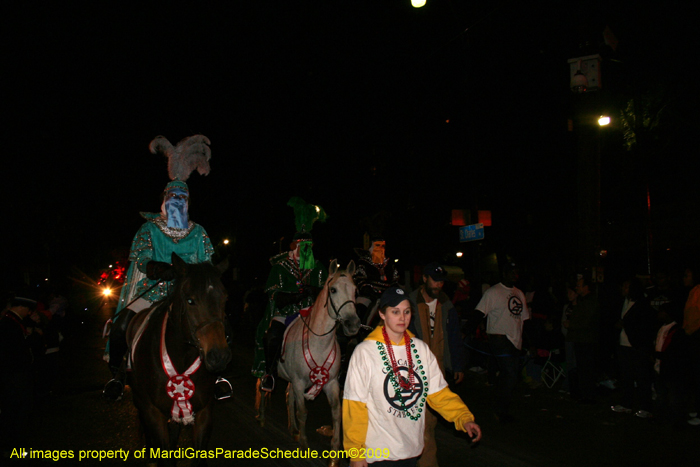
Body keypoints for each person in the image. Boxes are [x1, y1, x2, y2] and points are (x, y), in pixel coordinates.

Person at [103, 135, 217, 401]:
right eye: (172, 196)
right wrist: (156, 267)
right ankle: (118, 375)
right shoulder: (149, 229)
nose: (177, 200)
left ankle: (216, 375)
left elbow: (208, 264)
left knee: (217, 326)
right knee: (121, 326)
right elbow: (140, 257)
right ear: (165, 200)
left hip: (189, 296)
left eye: (182, 197)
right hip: (152, 292)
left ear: (187, 202)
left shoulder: (198, 232)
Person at [343, 287, 481, 467]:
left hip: (411, 450)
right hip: (377, 453)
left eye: (407, 311)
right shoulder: (365, 352)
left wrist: (464, 418)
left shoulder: (421, 349)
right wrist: (355, 452)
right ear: (382, 314)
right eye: (395, 312)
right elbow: (354, 405)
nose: (402, 317)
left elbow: (438, 393)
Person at [252, 197, 328, 392]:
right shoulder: (279, 267)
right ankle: (269, 373)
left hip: (311, 312)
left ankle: (335, 367)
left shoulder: (317, 267)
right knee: (273, 336)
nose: (307, 251)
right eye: (304, 247)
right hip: (286, 312)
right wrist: (292, 297)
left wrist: (314, 291)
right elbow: (273, 294)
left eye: (310, 247)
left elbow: (326, 291)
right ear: (294, 247)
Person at [408, 262, 465, 467]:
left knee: (429, 422)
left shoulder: (446, 304)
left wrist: (457, 365)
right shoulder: (410, 303)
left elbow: (454, 337)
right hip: (412, 371)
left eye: (441, 281)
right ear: (424, 278)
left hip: (437, 371)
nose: (438, 285)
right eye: (434, 279)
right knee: (414, 422)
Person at [470, 261, 530, 422]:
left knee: (509, 375)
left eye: (517, 272)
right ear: (504, 273)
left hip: (515, 339)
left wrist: (528, 342)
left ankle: (500, 404)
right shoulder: (493, 292)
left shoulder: (519, 293)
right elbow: (479, 312)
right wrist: (467, 331)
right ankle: (500, 410)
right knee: (509, 373)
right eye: (511, 272)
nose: (515, 275)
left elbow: (524, 319)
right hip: (499, 338)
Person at [610, 277, 658, 418]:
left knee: (642, 377)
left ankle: (645, 407)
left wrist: (626, 324)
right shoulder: (622, 302)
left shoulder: (642, 304)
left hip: (637, 345)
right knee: (626, 376)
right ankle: (626, 404)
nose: (624, 289)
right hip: (623, 344)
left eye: (627, 286)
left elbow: (644, 325)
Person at [0, 297, 37, 454]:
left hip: (14, 375)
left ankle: (13, 445)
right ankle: (15, 448)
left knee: (14, 411)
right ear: (22, 307)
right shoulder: (9, 324)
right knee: (16, 412)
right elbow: (14, 352)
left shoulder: (12, 322)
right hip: (14, 376)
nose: (29, 313)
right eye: (28, 310)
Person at [564, 274, 600, 403]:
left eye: (579, 285)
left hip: (587, 340)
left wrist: (571, 324)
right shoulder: (582, 301)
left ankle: (589, 395)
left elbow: (586, 321)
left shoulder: (590, 302)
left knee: (586, 368)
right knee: (582, 368)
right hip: (580, 339)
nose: (577, 288)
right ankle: (583, 394)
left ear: (586, 287)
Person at [353, 236, 400, 326]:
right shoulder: (364, 263)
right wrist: (367, 289)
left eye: (383, 246)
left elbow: (395, 280)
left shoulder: (390, 264)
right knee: (361, 307)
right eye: (378, 245)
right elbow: (359, 279)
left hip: (388, 295)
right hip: (370, 295)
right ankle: (358, 330)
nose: (381, 248)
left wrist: (395, 290)